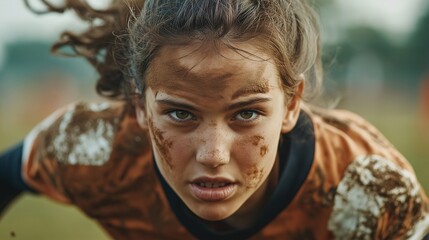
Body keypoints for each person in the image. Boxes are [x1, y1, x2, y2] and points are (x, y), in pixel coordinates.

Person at [1, 0, 429, 239]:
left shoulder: (369, 189)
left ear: (292, 104)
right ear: (139, 106)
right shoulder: (93, 150)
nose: (213, 153)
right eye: (180, 113)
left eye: (246, 113)